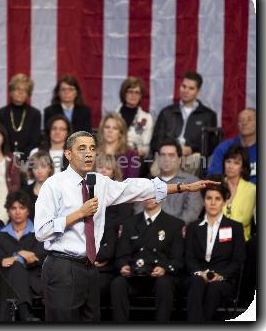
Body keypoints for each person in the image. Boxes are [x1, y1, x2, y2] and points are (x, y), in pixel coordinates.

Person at [34, 130, 218, 322]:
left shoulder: (99, 182)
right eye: (81, 148)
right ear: (68, 154)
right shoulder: (53, 185)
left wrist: (180, 188)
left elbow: (134, 188)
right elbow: (41, 231)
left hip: (89, 269)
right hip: (62, 266)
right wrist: (79, 214)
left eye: (92, 148)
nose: (88, 153)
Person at [110, 198, 184, 322]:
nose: (150, 199)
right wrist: (123, 266)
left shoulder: (175, 224)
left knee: (164, 284)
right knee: (118, 283)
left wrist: (164, 268)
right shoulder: (129, 223)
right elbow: (121, 256)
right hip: (134, 275)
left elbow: (178, 260)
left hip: (160, 275)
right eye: (147, 195)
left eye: (154, 195)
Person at [185, 179, 246, 321]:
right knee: (196, 281)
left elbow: (238, 260)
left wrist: (221, 275)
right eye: (209, 198)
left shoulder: (235, 227)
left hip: (223, 279)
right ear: (203, 201)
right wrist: (200, 273)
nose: (213, 203)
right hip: (197, 275)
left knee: (215, 287)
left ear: (224, 201)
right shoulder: (193, 227)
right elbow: (189, 257)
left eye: (217, 199)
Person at [0, 191, 45, 321]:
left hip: (33, 281)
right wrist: (21, 255)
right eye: (13, 208)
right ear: (8, 211)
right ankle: (26, 315)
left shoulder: (39, 232)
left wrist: (14, 257)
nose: (17, 212)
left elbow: (38, 259)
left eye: (22, 208)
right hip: (5, 280)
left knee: (15, 268)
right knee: (15, 269)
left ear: (28, 211)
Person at [150, 71, 217, 174]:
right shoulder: (167, 112)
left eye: (191, 88)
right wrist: (173, 149)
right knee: (155, 169)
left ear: (198, 92)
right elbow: (155, 141)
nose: (186, 91)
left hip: (192, 155)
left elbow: (211, 145)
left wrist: (191, 149)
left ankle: (183, 188)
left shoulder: (208, 115)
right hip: (167, 153)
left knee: (197, 160)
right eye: (183, 86)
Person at [93, 154, 133, 307]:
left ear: (114, 173)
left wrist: (103, 258)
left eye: (108, 168)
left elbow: (122, 236)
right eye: (100, 167)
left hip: (111, 264)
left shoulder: (122, 199)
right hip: (86, 260)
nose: (103, 172)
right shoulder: (83, 195)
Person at [154, 139, 203, 224]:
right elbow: (140, 212)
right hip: (150, 233)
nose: (166, 159)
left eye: (171, 155)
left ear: (179, 159)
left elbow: (192, 213)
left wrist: (172, 229)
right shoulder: (149, 183)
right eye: (162, 155)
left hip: (179, 233)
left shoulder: (192, 182)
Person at [0, 73, 41, 159]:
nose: (21, 92)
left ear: (28, 94)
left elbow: (35, 140)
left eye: (25, 90)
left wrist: (23, 157)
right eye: (17, 89)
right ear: (11, 92)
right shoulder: (0, 113)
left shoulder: (35, 114)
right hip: (4, 157)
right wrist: (8, 156)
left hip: (28, 158)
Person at [208, 108, 256, 184]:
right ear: (237, 124)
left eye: (249, 120)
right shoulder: (223, 149)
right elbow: (215, 179)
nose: (244, 123)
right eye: (241, 120)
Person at [222, 145, 256, 242]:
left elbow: (244, 219)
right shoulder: (217, 185)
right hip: (216, 239)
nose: (230, 166)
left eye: (236, 163)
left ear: (242, 167)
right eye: (228, 161)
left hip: (240, 240)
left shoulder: (251, 189)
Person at [116, 77, 154, 157]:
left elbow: (146, 147)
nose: (133, 95)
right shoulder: (113, 116)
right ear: (124, 93)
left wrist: (134, 153)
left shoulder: (147, 118)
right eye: (130, 92)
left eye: (137, 92)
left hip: (136, 159)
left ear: (141, 96)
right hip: (114, 156)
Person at [97, 112, 140, 179]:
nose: (110, 131)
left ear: (121, 133)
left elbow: (131, 183)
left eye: (115, 128)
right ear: (102, 130)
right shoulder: (94, 152)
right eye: (107, 127)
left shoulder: (131, 155)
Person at [23, 151, 54, 222]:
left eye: (43, 166)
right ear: (31, 170)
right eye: (35, 167)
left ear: (50, 168)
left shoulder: (57, 190)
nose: (39, 171)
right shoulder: (24, 192)